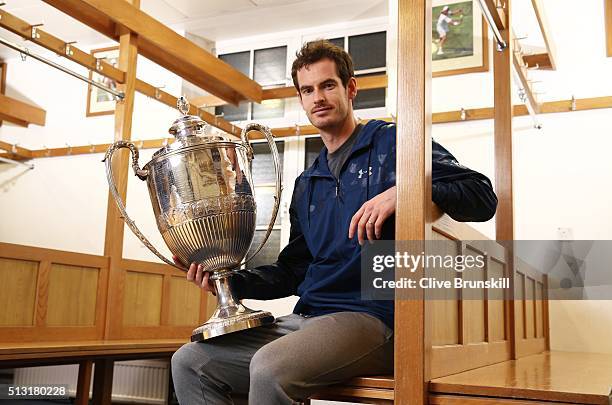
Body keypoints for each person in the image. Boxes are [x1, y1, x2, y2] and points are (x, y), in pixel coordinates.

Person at [171, 40, 497, 405]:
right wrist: (231, 283)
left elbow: (482, 196)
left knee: (268, 368)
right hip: (308, 318)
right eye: (308, 90)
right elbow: (294, 270)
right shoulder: (307, 182)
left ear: (350, 88)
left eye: (328, 85)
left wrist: (408, 192)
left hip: (374, 317)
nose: (318, 97)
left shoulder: (392, 144)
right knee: (191, 361)